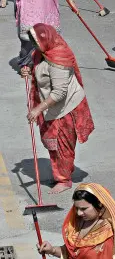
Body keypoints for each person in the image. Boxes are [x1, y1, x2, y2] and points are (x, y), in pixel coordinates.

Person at [20, 24, 94, 195]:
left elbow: (59, 93)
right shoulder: (41, 52)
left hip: (66, 107)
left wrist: (37, 109)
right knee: (51, 143)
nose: (34, 44)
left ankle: (64, 179)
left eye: (36, 41)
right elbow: (40, 72)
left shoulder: (59, 58)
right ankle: (64, 170)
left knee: (62, 145)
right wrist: (28, 71)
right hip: (52, 106)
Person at [37, 183, 115, 258]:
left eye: (84, 209)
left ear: (99, 205)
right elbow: (73, 253)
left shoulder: (108, 235)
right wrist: (52, 250)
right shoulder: (77, 223)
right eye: (76, 208)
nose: (78, 213)